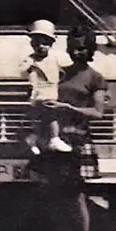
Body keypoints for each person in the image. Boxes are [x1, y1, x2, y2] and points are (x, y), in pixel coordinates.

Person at [30, 24, 107, 231]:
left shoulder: (96, 78)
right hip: (55, 138)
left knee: (76, 198)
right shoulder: (60, 73)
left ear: (91, 49)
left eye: (83, 48)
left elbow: (98, 112)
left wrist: (69, 108)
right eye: (73, 48)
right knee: (54, 197)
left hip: (78, 141)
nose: (77, 52)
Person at [19, 20, 73, 155]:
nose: (41, 47)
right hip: (38, 93)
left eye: (45, 43)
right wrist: (30, 67)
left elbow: (67, 70)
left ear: (51, 44)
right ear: (32, 44)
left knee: (47, 118)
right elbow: (24, 73)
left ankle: (37, 139)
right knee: (47, 116)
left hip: (52, 91)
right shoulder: (30, 59)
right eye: (37, 44)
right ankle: (52, 139)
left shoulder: (56, 57)